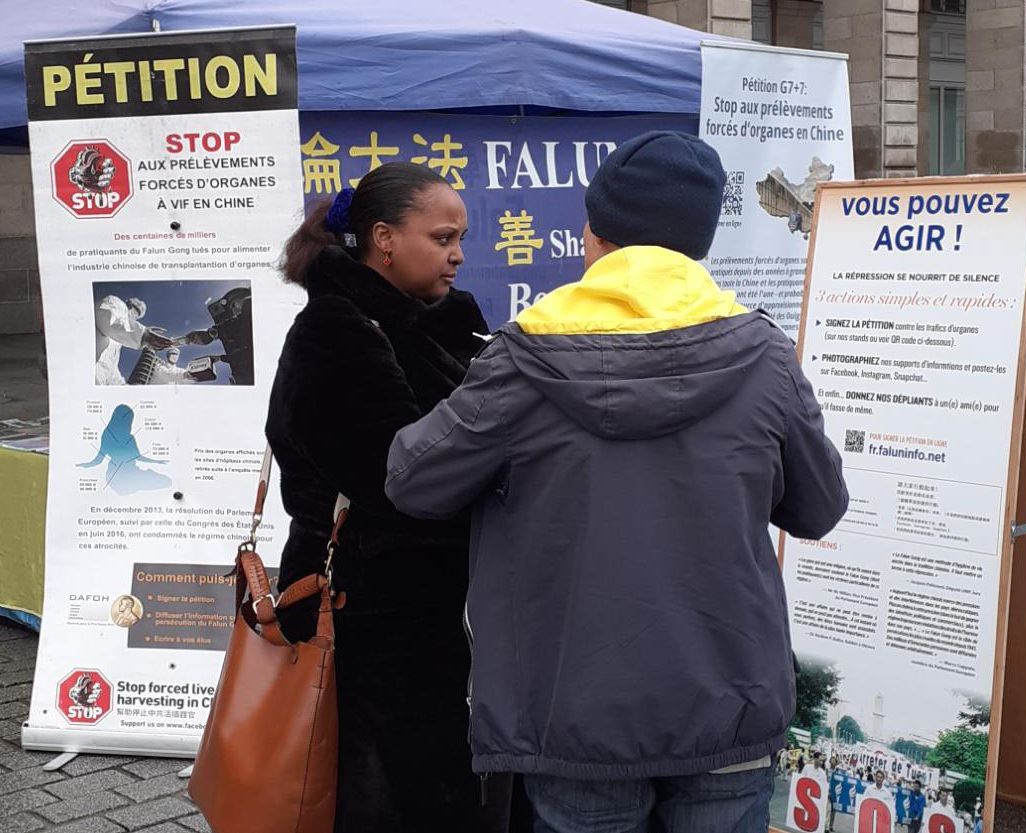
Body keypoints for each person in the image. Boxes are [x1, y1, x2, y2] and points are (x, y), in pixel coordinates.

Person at [385, 131, 848, 833]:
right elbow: (819, 508)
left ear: (595, 236)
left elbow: (412, 480)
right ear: (697, 245)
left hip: (571, 712)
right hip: (730, 697)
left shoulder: (522, 357)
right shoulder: (763, 355)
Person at [266, 162, 509, 833]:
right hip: (365, 606)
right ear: (384, 239)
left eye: (460, 238)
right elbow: (400, 479)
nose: (457, 254)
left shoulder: (439, 323)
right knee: (382, 792)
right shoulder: (338, 332)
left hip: (429, 604)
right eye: (442, 237)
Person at [94, 295, 173, 384]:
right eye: (136, 309)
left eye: (138, 315)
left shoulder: (118, 341)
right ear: (129, 304)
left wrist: (123, 385)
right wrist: (143, 335)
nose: (135, 315)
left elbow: (111, 368)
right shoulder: (116, 303)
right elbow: (106, 318)